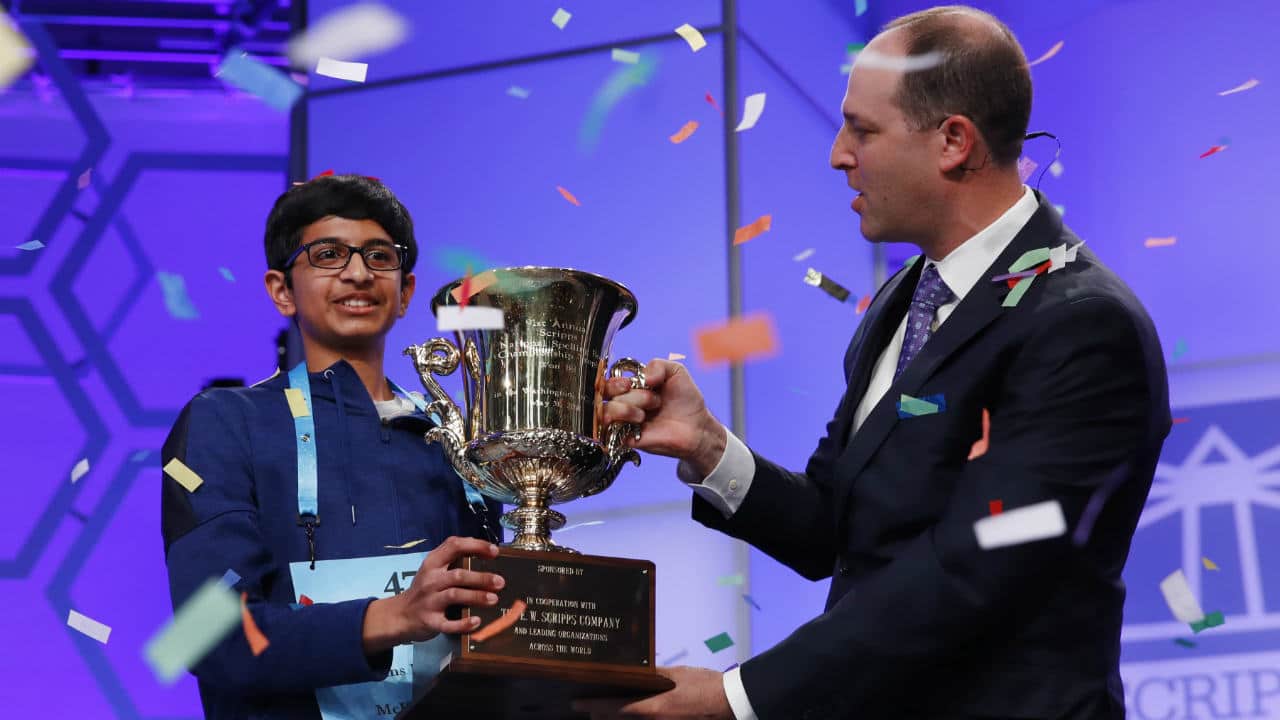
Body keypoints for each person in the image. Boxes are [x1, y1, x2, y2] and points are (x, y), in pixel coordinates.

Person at [586, 6, 1170, 720]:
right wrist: (707, 448)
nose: (838, 154)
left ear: (953, 141)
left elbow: (976, 566)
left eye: (862, 129)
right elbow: (838, 530)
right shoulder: (905, 298)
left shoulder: (1082, 324)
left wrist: (735, 697)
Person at [160, 174, 506, 719]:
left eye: (379, 256)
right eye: (328, 255)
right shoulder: (224, 422)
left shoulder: (459, 432)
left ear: (406, 292)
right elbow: (208, 634)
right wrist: (394, 616)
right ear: (281, 290)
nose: (358, 273)